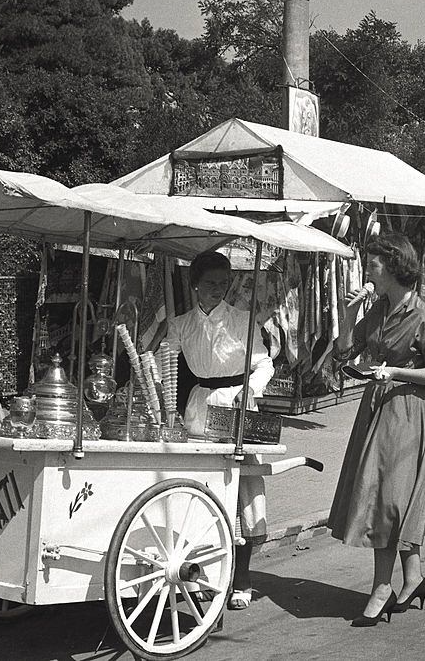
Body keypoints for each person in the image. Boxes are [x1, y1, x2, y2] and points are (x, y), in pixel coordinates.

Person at [328, 232, 425, 627]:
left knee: (391, 499)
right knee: (393, 496)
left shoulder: (422, 316)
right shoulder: (378, 309)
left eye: (373, 264)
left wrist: (396, 371)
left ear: (395, 266)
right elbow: (344, 352)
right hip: (377, 410)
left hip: (408, 412)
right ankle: (412, 580)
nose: (367, 270)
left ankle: (382, 586)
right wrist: (348, 315)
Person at [150, 250, 274, 610]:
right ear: (194, 285)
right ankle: (203, 572)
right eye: (210, 284)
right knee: (200, 489)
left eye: (223, 283)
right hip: (200, 406)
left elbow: (263, 363)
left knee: (242, 490)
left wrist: (250, 389)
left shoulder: (243, 321)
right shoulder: (181, 324)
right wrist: (158, 391)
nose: (217, 290)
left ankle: (243, 578)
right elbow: (165, 361)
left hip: (237, 403)